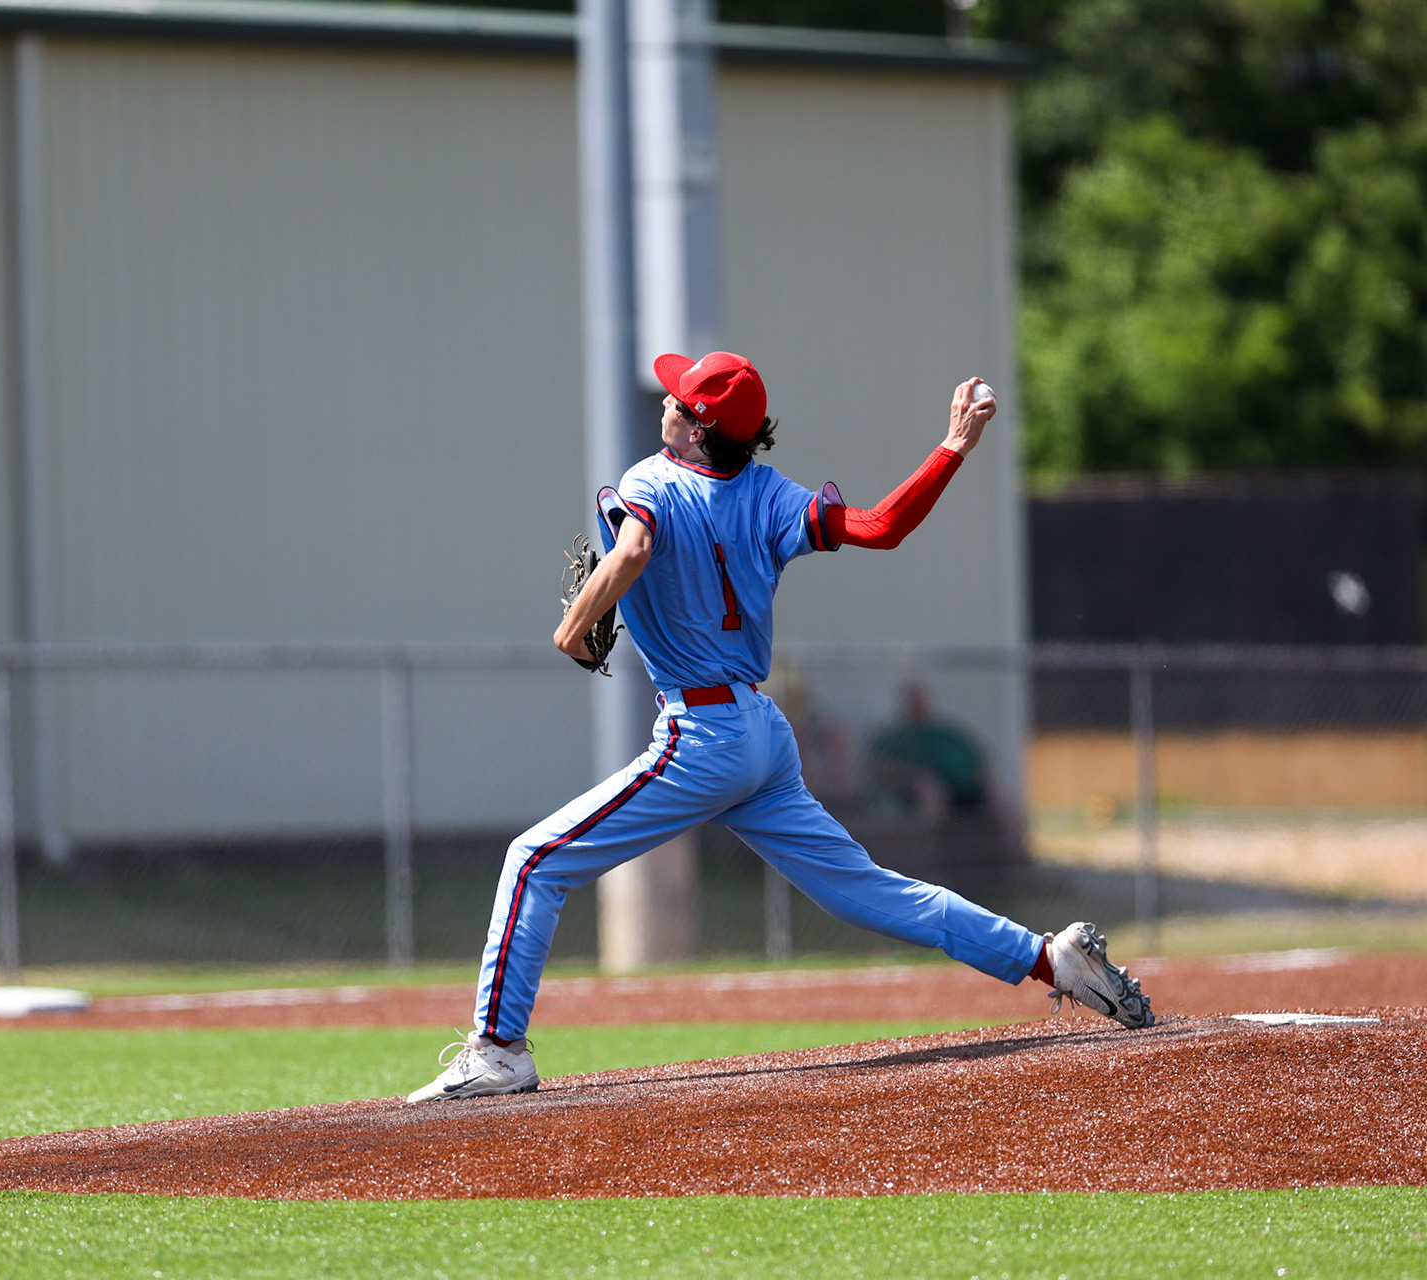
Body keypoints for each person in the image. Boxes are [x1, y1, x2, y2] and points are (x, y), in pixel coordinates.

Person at [408, 354, 1151, 1103]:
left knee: (535, 860)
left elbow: (632, 550)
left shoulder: (651, 480)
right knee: (868, 892)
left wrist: (573, 628)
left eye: (681, 398)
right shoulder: (770, 494)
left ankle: (499, 1050)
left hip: (701, 736)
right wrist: (952, 446)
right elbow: (882, 527)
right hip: (761, 732)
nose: (668, 400)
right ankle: (1051, 961)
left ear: (698, 430)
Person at [869, 681, 989, 817]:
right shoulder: (894, 739)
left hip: (965, 791)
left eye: (921, 700)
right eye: (913, 701)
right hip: (917, 793)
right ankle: (936, 837)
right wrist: (917, 777)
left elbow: (978, 760)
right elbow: (881, 769)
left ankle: (1007, 838)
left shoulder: (947, 735)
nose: (918, 706)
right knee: (929, 792)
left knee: (1004, 801)